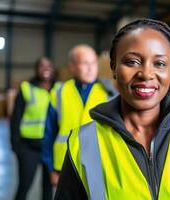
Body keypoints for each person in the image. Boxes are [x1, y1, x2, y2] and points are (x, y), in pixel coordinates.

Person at [54, 19, 170, 200]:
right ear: (114, 67)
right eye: (132, 62)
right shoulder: (84, 142)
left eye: (160, 64)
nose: (146, 74)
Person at [42, 44, 117, 186]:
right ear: (72, 66)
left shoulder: (109, 93)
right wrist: (50, 169)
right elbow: (48, 133)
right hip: (65, 165)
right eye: (85, 63)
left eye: (94, 62)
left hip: (100, 165)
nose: (91, 68)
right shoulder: (59, 93)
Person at [10, 57, 58, 200]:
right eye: (41, 66)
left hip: (51, 147)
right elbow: (15, 118)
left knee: (48, 188)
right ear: (36, 69)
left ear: (53, 69)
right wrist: (15, 145)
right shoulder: (26, 88)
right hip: (28, 147)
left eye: (49, 65)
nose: (45, 68)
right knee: (24, 186)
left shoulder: (60, 88)